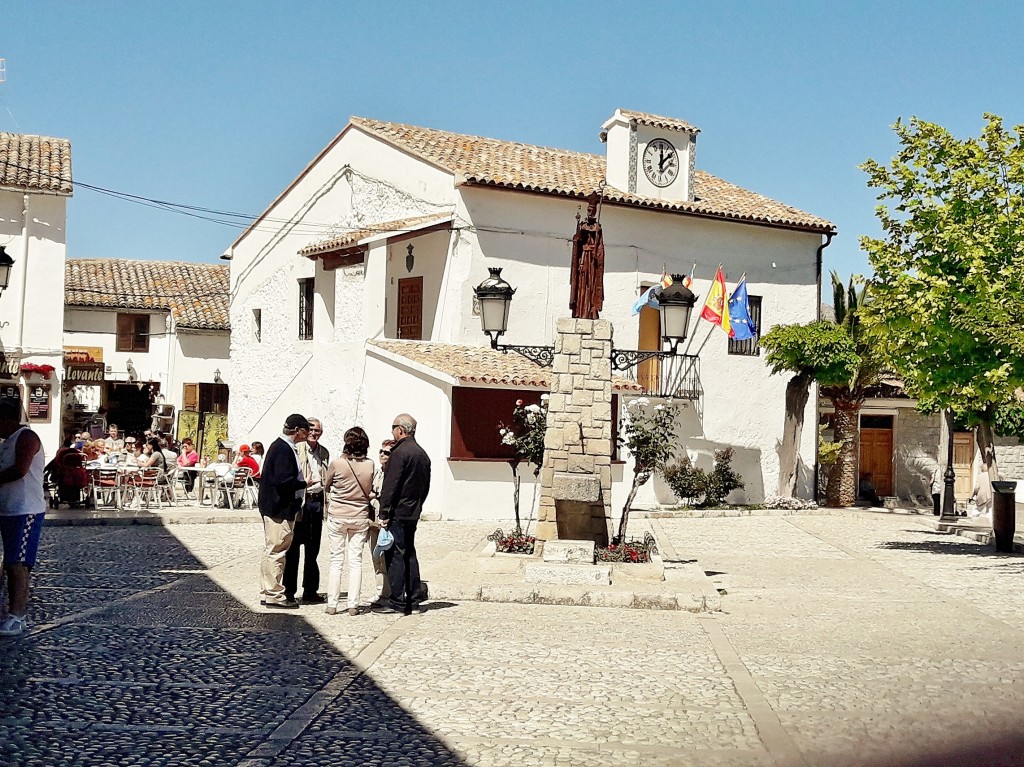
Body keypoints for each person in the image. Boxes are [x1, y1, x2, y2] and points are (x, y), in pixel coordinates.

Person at [376, 413, 431, 615]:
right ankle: (414, 600)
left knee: (396, 556)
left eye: (393, 428)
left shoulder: (400, 453)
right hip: (413, 511)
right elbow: (425, 486)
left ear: (400, 429)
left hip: (398, 512)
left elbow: (391, 486)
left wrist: (384, 513)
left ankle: (398, 602)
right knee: (410, 554)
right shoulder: (422, 454)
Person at [0, 400, 46, 636]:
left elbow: (20, 470)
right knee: (9, 563)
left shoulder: (26, 437)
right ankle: (10, 612)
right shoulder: (6, 442)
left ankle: (18, 616)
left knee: (17, 564)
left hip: (24, 509)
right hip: (8, 509)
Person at [257, 413, 310, 609]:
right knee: (277, 550)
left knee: (271, 549)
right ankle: (274, 593)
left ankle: (267, 590)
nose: (307, 434)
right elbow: (283, 481)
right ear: (298, 431)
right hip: (279, 508)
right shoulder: (282, 449)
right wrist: (304, 483)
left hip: (277, 507)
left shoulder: (283, 447)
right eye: (306, 431)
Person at [322, 427, 374, 616]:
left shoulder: (337, 463)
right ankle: (353, 604)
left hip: (338, 515)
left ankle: (332, 603)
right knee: (356, 561)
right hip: (359, 515)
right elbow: (368, 489)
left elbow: (326, 485)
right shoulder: (370, 465)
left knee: (336, 560)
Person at [284, 418, 329, 604]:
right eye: (310, 428)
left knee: (313, 550)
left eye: (317, 429)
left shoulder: (324, 452)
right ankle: (288, 591)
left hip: (317, 503)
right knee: (293, 549)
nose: (314, 432)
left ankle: (310, 591)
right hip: (301, 503)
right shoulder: (297, 448)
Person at [569, 195, 605, 320]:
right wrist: (579, 226)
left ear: (595, 212)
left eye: (592, 211)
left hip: (592, 261)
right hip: (584, 258)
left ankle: (591, 309)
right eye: (588, 210)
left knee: (591, 285)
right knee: (582, 285)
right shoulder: (583, 225)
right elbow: (577, 240)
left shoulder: (598, 228)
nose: (590, 213)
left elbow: (600, 246)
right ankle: (579, 310)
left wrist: (597, 252)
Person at [369, 439, 395, 603]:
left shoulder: (393, 475)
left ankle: (390, 591)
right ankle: (381, 590)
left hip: (387, 521)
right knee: (376, 556)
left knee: (389, 557)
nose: (382, 455)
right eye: (381, 451)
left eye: (387, 452)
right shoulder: (378, 473)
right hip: (374, 520)